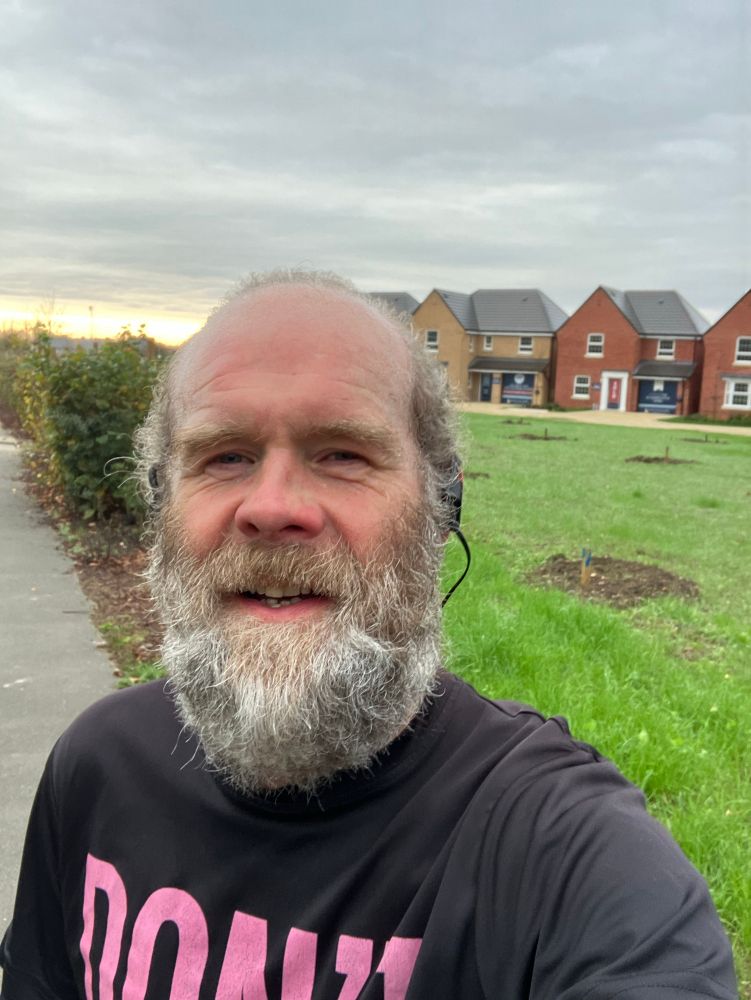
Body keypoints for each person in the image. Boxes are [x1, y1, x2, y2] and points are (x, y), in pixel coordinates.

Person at [1, 271, 737, 999]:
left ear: (439, 511)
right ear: (162, 504)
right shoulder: (95, 769)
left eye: (342, 455)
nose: (272, 507)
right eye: (225, 456)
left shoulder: (560, 848)